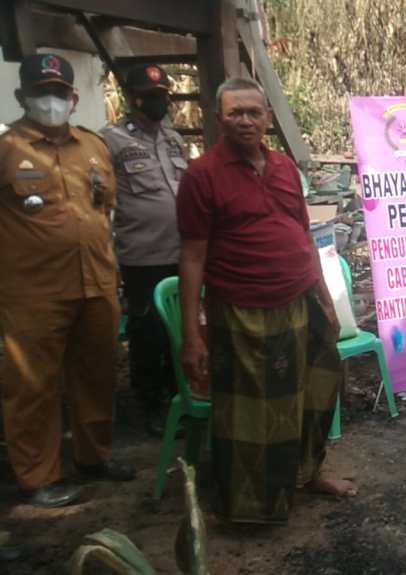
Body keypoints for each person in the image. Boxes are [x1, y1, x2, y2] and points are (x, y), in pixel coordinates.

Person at [176, 77, 354, 525]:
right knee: (248, 413)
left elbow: (303, 235)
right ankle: (249, 508)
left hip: (299, 299)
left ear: (268, 118)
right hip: (241, 310)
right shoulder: (202, 175)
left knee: (315, 388)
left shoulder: (284, 168)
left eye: (254, 112)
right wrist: (191, 335)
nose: (245, 120)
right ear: (219, 119)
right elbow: (192, 256)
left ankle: (307, 474)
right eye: (235, 112)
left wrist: (324, 297)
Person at [0, 53, 136, 509]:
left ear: (74, 98)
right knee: (32, 386)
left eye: (59, 92)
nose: (51, 101)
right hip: (33, 292)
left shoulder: (93, 147)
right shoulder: (6, 148)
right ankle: (37, 477)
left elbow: (105, 210)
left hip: (96, 283)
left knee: (96, 376)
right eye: (41, 92)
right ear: (21, 96)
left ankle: (94, 458)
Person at [101, 64, 188, 437]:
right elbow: (100, 200)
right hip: (142, 256)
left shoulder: (174, 139)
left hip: (182, 253)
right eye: (149, 96)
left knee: (180, 330)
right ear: (131, 98)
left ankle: (179, 396)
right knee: (148, 332)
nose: (158, 102)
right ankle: (150, 406)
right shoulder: (110, 141)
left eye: (162, 95)